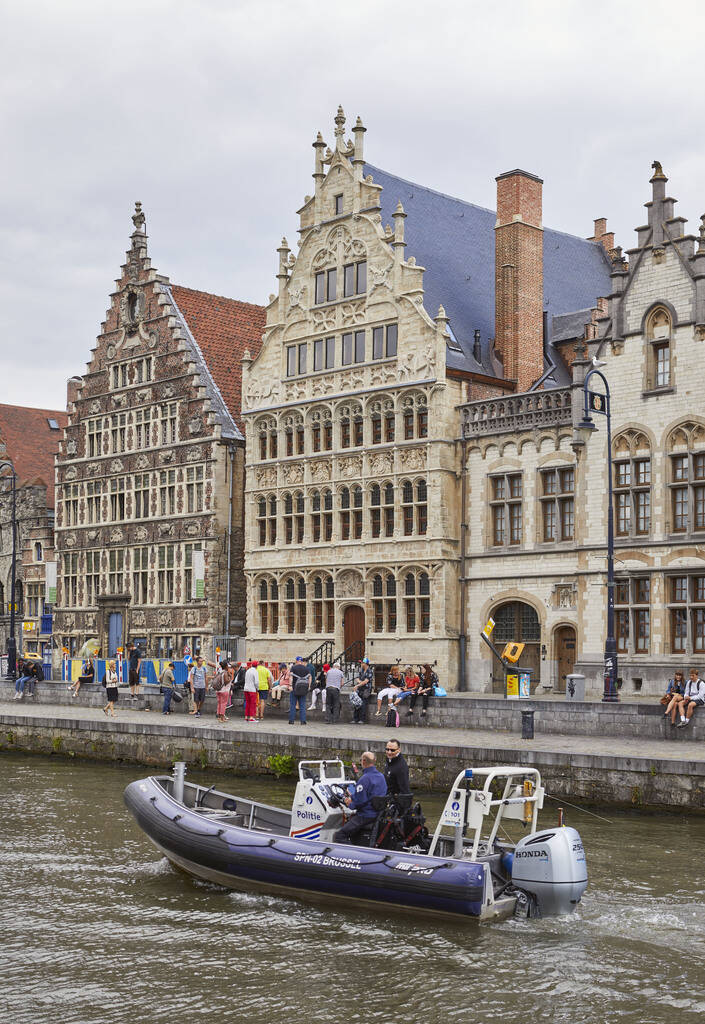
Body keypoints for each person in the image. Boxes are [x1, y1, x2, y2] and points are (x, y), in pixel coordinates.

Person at [333, 751, 387, 845]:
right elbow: (371, 795)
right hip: (377, 815)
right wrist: (353, 796)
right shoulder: (381, 777)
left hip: (365, 815)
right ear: (374, 760)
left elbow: (359, 802)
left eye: (361, 760)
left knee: (339, 836)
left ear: (364, 761)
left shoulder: (364, 779)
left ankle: (351, 853)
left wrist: (349, 803)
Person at [383, 739, 412, 812]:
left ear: (399, 750)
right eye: (387, 749)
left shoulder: (401, 767)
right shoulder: (390, 760)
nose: (389, 752)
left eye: (392, 750)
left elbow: (404, 789)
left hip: (395, 803)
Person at [352, 657, 373, 724]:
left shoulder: (369, 671)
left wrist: (358, 685)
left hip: (366, 689)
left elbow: (366, 681)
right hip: (360, 688)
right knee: (356, 703)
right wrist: (360, 683)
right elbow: (357, 678)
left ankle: (362, 719)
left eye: (362, 663)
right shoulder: (361, 670)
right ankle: (355, 719)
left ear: (365, 663)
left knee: (363, 704)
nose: (361, 664)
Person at [289, 656, 310, 725]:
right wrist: (309, 686)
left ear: (296, 661)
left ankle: (291, 720)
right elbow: (309, 678)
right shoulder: (306, 668)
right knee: (302, 705)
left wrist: (290, 685)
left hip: (294, 688)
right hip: (303, 689)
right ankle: (303, 721)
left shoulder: (293, 667)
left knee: (293, 705)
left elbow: (291, 677)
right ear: (301, 661)